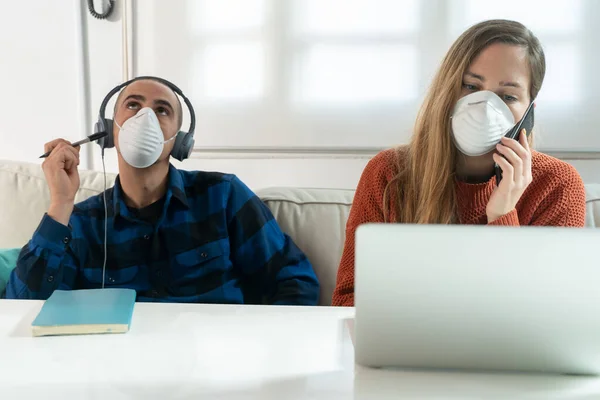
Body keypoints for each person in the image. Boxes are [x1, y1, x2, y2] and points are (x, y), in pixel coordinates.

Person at [332, 20, 586, 307]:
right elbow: (348, 301)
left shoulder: (557, 185)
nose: (485, 106)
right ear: (446, 91)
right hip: (409, 352)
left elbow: (544, 314)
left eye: (508, 96)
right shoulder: (389, 173)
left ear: (529, 112)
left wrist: (502, 212)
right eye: (470, 86)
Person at [5, 77, 320, 305]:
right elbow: (22, 305)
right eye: (133, 105)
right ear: (108, 131)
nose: (146, 117)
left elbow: (295, 281)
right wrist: (61, 202)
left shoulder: (223, 196)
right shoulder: (81, 222)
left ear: (180, 141)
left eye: (162, 110)